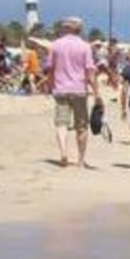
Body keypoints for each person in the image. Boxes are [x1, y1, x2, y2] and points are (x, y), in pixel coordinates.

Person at [46, 16, 100, 168]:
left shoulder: (55, 45)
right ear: (80, 29)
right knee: (81, 126)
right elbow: (90, 72)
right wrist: (96, 93)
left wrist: (50, 86)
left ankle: (63, 152)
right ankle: (80, 160)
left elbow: (50, 69)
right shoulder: (85, 46)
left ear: (66, 28)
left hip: (60, 89)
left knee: (61, 124)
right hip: (79, 89)